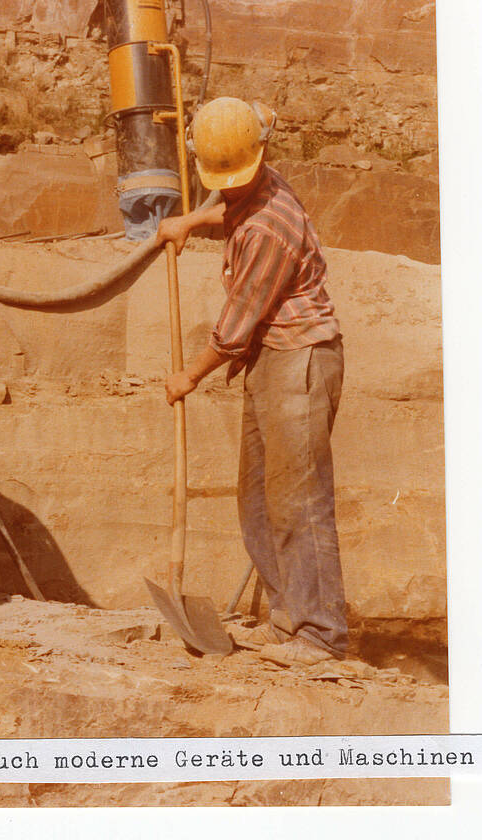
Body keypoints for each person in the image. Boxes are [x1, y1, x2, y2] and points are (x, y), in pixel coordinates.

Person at [154, 96, 348, 667]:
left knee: (299, 501)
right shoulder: (254, 184)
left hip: (301, 359)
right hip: (272, 355)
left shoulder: (269, 229)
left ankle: (321, 634)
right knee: (260, 496)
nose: (224, 188)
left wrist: (187, 377)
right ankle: (289, 617)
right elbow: (229, 206)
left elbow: (234, 328)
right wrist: (190, 219)